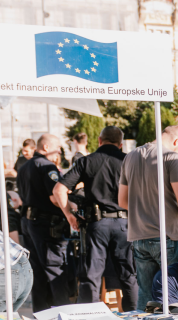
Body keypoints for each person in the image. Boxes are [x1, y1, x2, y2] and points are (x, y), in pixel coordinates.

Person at [53, 126, 137, 310]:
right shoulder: (128, 161)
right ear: (120, 144)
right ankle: (134, 316)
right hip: (124, 224)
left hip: (97, 225)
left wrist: (69, 215)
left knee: (91, 276)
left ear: (99, 141)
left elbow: (58, 190)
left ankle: (89, 317)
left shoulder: (86, 161)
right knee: (128, 275)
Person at [119, 125, 178, 310]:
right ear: (177, 141)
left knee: (145, 292)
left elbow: (122, 201)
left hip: (138, 237)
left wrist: (143, 210)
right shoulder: (171, 157)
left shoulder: (130, 156)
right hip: (167, 235)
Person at [16, 133, 71, 311]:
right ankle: (64, 312)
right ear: (46, 147)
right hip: (46, 224)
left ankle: (41, 313)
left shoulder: (24, 167)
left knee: (37, 272)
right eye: (58, 149)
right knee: (55, 268)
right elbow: (54, 197)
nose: (59, 153)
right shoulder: (47, 167)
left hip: (28, 223)